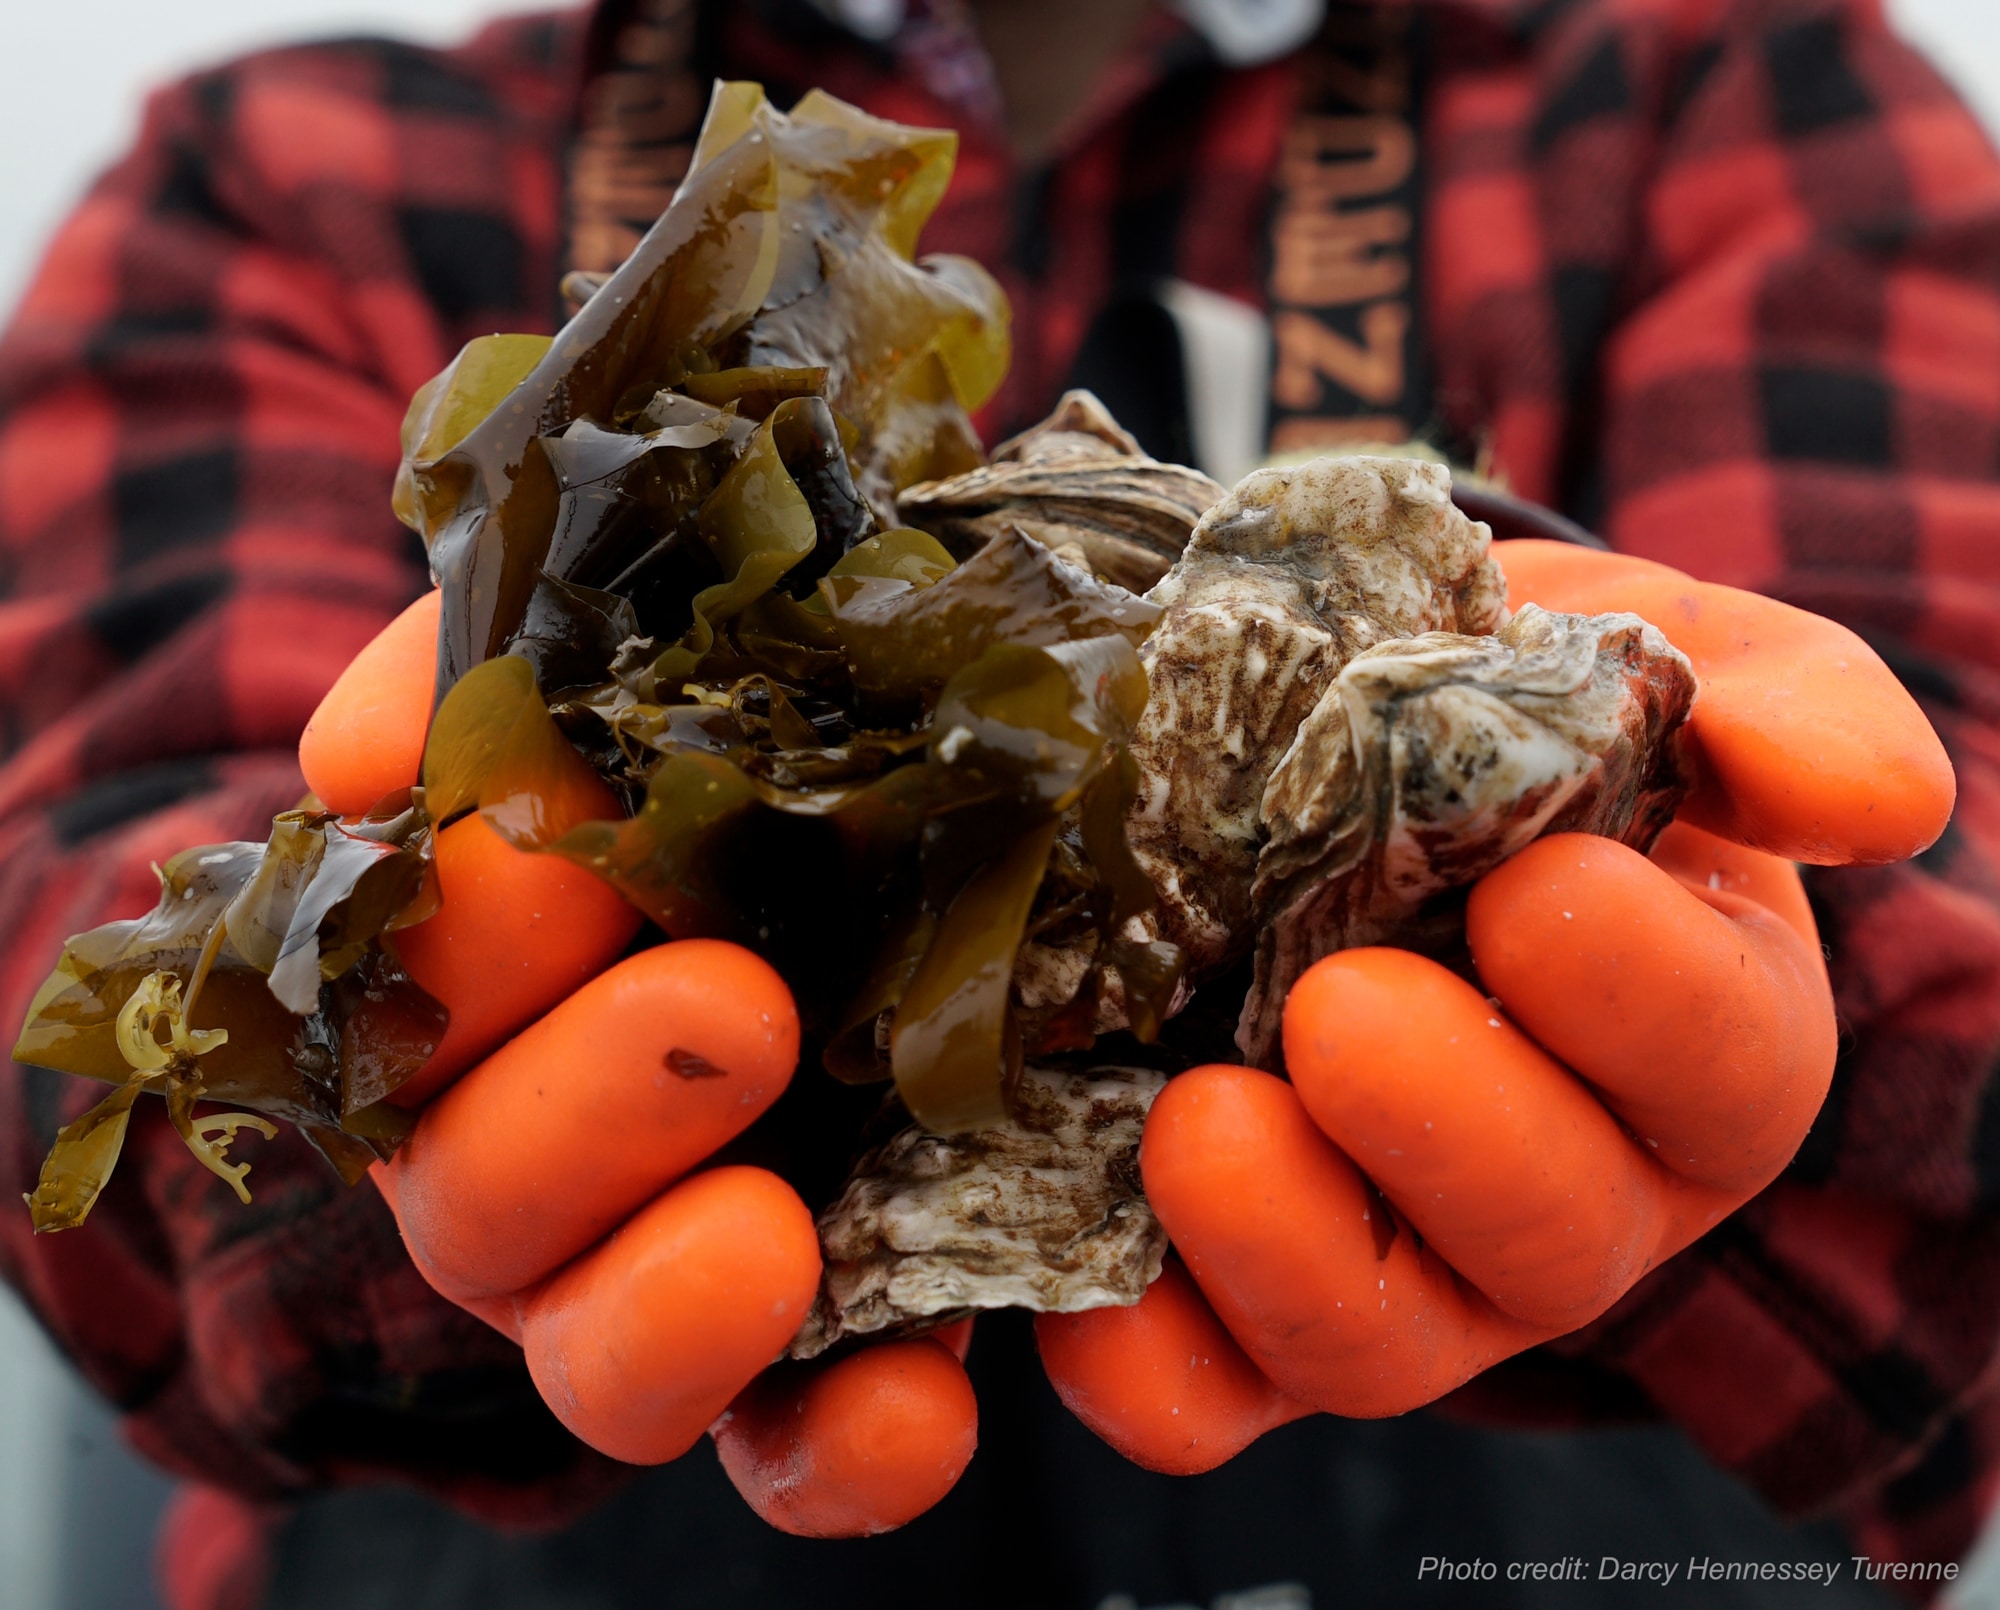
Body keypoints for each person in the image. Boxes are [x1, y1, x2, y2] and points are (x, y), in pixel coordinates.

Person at [0, 0, 1995, 1606]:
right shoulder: (294, 169)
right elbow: (64, 950)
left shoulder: (1722, 80)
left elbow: (1951, 807)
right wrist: (387, 1076)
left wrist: (1792, 976)